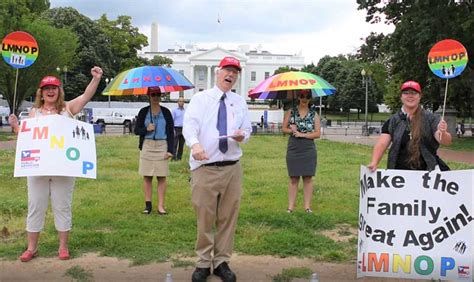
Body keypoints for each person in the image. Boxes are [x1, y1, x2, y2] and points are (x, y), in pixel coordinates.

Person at [8, 66, 103, 262]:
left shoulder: (68, 109)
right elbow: (26, 137)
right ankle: (31, 248)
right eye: (46, 88)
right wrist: (16, 126)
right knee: (35, 206)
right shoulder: (34, 113)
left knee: (62, 206)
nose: (51, 91)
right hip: (38, 169)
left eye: (54, 88)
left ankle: (63, 247)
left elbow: (86, 96)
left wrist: (95, 79)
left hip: (64, 169)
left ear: (59, 91)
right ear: (41, 93)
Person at [183, 56, 251, 282]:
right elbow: (189, 125)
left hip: (232, 167)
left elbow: (247, 129)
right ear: (217, 72)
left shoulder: (239, 101)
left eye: (235, 72)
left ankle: (222, 261)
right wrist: (195, 144)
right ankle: (203, 262)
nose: (231, 75)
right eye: (227, 71)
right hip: (205, 166)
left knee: (228, 217)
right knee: (205, 216)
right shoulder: (200, 99)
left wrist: (243, 135)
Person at [368, 81, 452, 172]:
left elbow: (445, 141)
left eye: (414, 93)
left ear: (419, 96)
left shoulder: (431, 118)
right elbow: (382, 143)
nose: (410, 96)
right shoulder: (393, 120)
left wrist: (443, 132)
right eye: (406, 93)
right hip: (398, 175)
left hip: (427, 173)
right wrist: (374, 162)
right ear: (401, 97)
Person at [134, 87, 174, 215]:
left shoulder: (166, 112)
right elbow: (136, 130)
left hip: (162, 145)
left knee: (162, 177)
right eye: (153, 94)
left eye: (158, 94)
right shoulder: (143, 112)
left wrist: (170, 150)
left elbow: (171, 133)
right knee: (147, 176)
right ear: (149, 96)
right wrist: (146, 129)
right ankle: (148, 205)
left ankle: (161, 206)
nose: (156, 97)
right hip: (147, 145)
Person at [281, 89, 321, 213]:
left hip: (308, 148)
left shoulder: (314, 114)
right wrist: (292, 130)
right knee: (293, 178)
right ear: (298, 97)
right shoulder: (290, 112)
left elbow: (318, 133)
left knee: (308, 178)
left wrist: (302, 135)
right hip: (294, 147)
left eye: (307, 96)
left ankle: (307, 207)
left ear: (310, 98)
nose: (304, 98)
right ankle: (290, 207)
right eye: (302, 95)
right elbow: (284, 129)